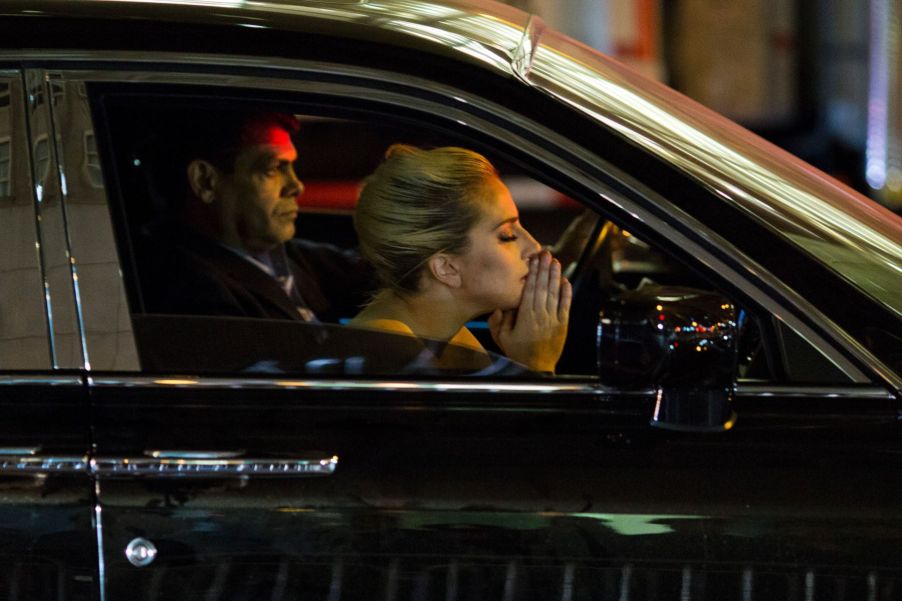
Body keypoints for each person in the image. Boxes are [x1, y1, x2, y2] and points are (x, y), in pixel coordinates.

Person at [349, 145, 571, 373]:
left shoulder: (450, 338)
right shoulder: (387, 349)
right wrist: (536, 365)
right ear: (447, 268)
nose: (534, 246)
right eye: (507, 236)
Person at [136, 109, 371, 323]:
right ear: (205, 181)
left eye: (291, 167)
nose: (296, 186)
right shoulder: (188, 291)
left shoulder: (276, 252)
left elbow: (373, 274)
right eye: (272, 169)